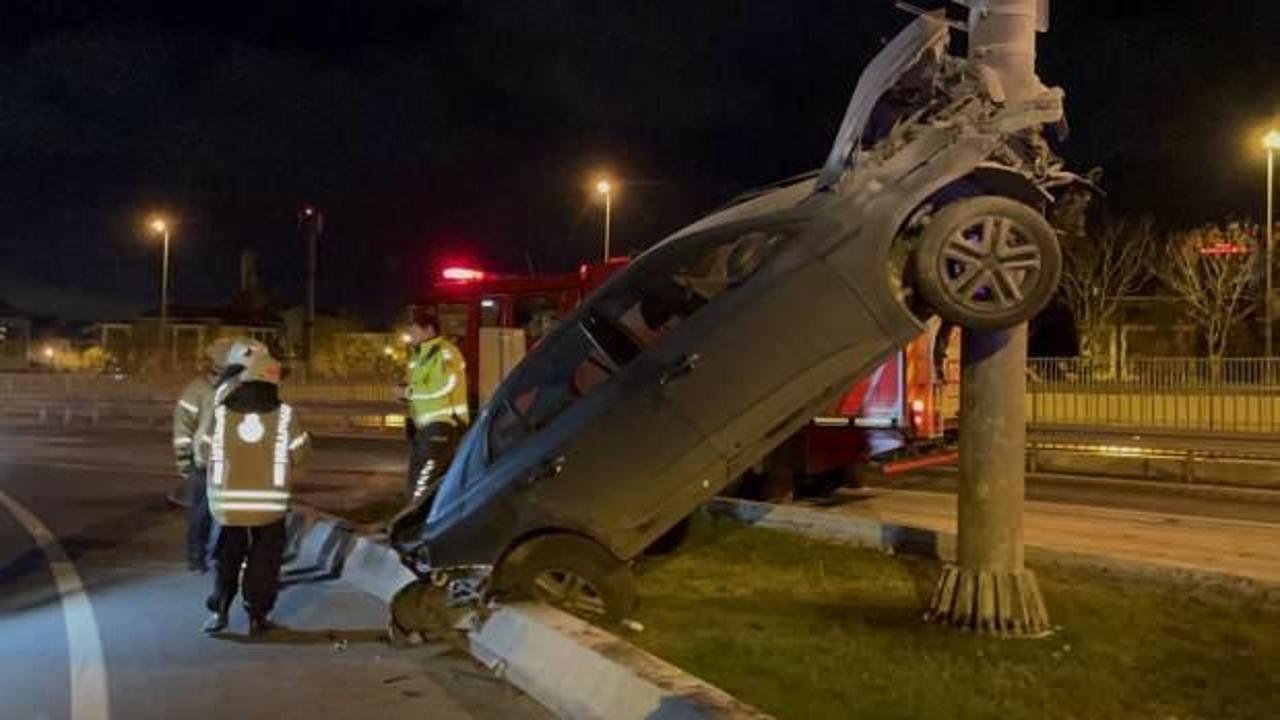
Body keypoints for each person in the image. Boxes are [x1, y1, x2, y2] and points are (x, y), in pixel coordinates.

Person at [195, 341, 309, 636]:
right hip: (270, 506)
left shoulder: (221, 413)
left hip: (227, 505)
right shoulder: (285, 415)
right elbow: (301, 453)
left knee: (226, 558)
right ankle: (257, 617)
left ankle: (220, 611)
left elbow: (201, 452)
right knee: (264, 561)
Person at [171, 337, 234, 573]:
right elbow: (183, 426)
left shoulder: (233, 387)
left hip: (223, 461)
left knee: (220, 513)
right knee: (203, 513)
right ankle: (197, 555)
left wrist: (183, 459)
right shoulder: (201, 388)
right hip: (209, 462)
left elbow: (182, 426)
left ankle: (211, 555)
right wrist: (183, 457)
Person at [401, 308, 469, 505]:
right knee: (429, 480)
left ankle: (416, 519)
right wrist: (405, 394)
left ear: (429, 330)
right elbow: (418, 389)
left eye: (414, 330)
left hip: (442, 424)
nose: (410, 335)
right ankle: (433, 518)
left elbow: (445, 383)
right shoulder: (418, 356)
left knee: (422, 481)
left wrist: (408, 392)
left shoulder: (444, 351)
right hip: (426, 427)